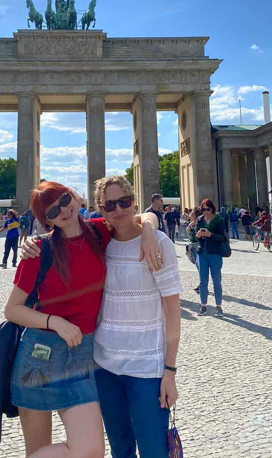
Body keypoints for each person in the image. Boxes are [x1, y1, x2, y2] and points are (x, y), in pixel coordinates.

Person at [6, 180, 161, 457]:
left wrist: (149, 231)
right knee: (39, 449)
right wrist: (56, 322)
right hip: (39, 356)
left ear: (76, 197)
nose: (62, 211)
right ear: (46, 221)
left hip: (81, 356)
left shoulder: (100, 230)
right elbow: (13, 310)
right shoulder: (39, 251)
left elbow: (141, 215)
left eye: (65, 200)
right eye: (51, 211)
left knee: (90, 450)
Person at [93, 176, 182, 458]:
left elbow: (172, 310)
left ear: (134, 201)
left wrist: (170, 371)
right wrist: (35, 244)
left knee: (154, 451)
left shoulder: (158, 243)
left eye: (124, 201)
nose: (118, 209)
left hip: (146, 370)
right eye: (109, 204)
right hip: (105, 367)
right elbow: (63, 232)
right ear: (100, 209)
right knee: (121, 451)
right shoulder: (100, 243)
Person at [195, 199, 226, 317]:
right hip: (202, 252)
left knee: (216, 281)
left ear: (212, 208)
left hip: (215, 253)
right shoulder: (200, 220)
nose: (206, 212)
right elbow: (195, 236)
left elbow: (223, 237)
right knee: (203, 281)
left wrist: (210, 235)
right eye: (203, 210)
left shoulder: (219, 220)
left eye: (208, 209)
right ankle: (203, 306)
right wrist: (198, 235)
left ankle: (218, 306)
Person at [187, 208, 202, 293]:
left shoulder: (198, 223)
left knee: (200, 267)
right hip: (193, 247)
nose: (190, 215)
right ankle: (201, 285)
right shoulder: (193, 223)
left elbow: (193, 236)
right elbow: (188, 233)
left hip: (197, 247)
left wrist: (190, 227)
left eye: (192, 214)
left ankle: (202, 286)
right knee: (198, 267)